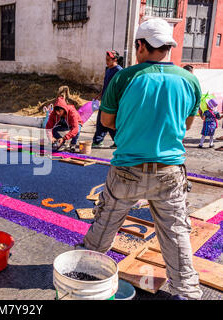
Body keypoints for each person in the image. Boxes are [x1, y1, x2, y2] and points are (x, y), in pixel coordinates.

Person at [76, 18, 203, 300]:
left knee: (106, 221)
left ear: (141, 45)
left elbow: (107, 120)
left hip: (127, 170)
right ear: (169, 47)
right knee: (175, 233)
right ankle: (187, 291)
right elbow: (186, 125)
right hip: (170, 171)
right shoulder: (190, 80)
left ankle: (84, 273)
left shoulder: (124, 77)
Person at [92, 50, 123, 149]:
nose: (107, 62)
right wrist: (100, 94)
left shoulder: (119, 71)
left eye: (109, 60)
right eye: (106, 60)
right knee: (101, 121)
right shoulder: (108, 70)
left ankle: (118, 142)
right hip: (105, 99)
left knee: (109, 122)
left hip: (112, 102)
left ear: (115, 60)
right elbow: (107, 85)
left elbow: (120, 87)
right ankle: (98, 141)